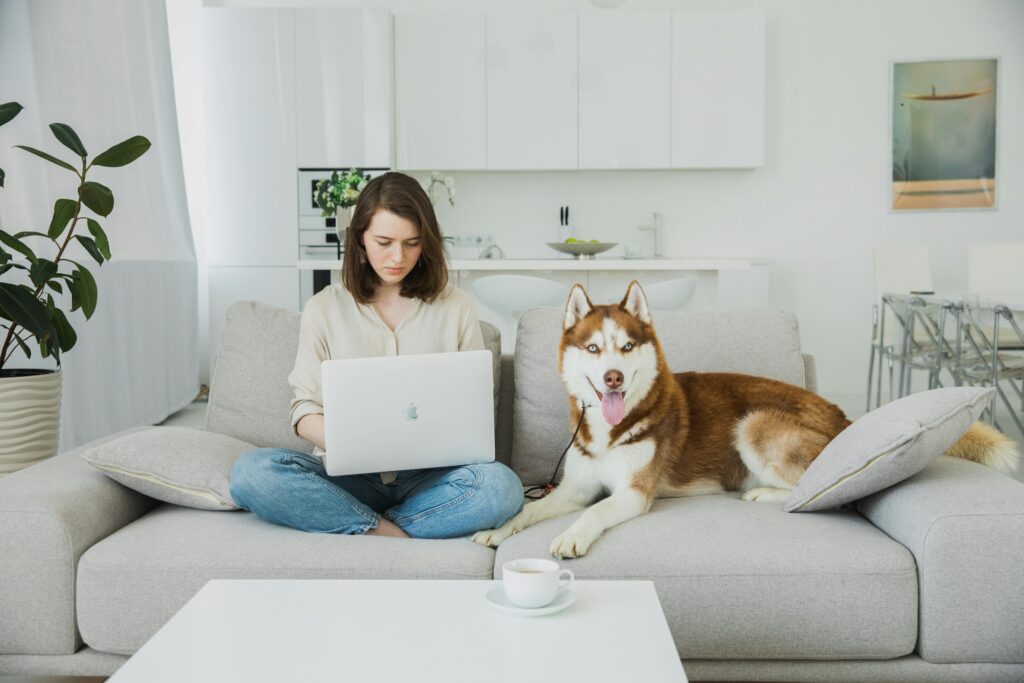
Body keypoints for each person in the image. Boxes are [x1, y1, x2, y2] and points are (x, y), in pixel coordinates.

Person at [229, 172, 524, 538]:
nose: (397, 257)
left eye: (412, 244)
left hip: (430, 478)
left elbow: (472, 411)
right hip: (351, 476)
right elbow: (304, 410)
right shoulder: (324, 308)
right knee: (250, 472)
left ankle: (367, 524)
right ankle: (388, 528)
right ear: (360, 240)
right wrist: (358, 443)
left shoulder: (457, 306)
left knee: (501, 488)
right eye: (384, 242)